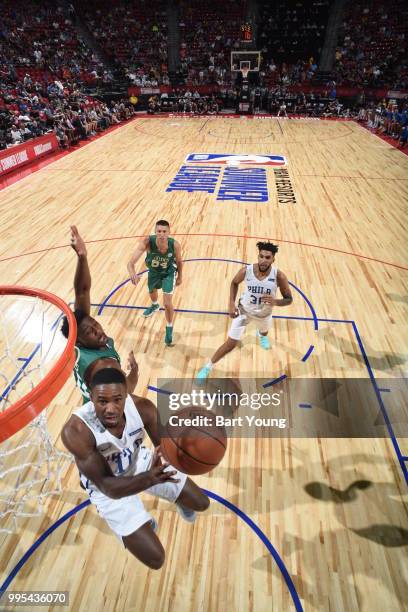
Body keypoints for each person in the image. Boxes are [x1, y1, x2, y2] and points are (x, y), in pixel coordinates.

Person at [61, 368, 209, 568]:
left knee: (201, 503)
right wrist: (149, 478)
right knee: (156, 559)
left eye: (117, 400)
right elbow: (109, 487)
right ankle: (141, 524)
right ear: (91, 397)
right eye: (102, 401)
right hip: (106, 486)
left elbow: (165, 445)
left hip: (137, 461)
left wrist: (184, 450)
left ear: (126, 396)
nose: (111, 409)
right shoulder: (76, 431)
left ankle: (176, 502)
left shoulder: (143, 408)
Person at [61, 226, 138, 402]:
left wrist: (82, 257)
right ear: (78, 340)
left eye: (95, 324)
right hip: (108, 419)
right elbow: (126, 391)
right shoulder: (104, 366)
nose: (97, 330)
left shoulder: (81, 342)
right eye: (90, 331)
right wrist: (134, 371)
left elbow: (82, 291)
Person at [196, 242, 293, 380]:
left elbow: (289, 299)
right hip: (244, 312)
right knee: (231, 343)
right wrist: (231, 303)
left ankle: (262, 336)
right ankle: (208, 367)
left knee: (264, 331)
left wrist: (276, 302)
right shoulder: (246, 271)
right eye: (261, 256)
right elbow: (234, 283)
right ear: (258, 256)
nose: (263, 260)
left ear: (273, 259)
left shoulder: (279, 276)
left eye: (267, 257)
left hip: (264, 314)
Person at [127, 220, 183, 346]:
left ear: (169, 232)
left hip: (169, 272)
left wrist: (180, 276)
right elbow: (130, 263)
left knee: (168, 303)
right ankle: (154, 305)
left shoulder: (175, 245)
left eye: (164, 231)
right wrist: (132, 273)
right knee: (152, 291)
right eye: (159, 231)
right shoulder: (147, 242)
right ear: (155, 231)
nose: (162, 234)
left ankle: (169, 328)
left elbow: (179, 261)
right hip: (153, 271)